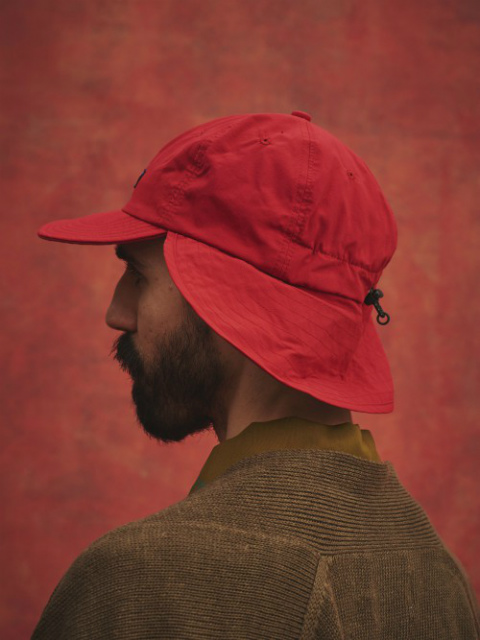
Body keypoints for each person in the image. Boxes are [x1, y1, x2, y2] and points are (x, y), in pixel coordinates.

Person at [32, 111, 480, 639]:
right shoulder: (439, 578)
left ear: (227, 298)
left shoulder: (135, 582)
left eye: (137, 274)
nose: (117, 313)